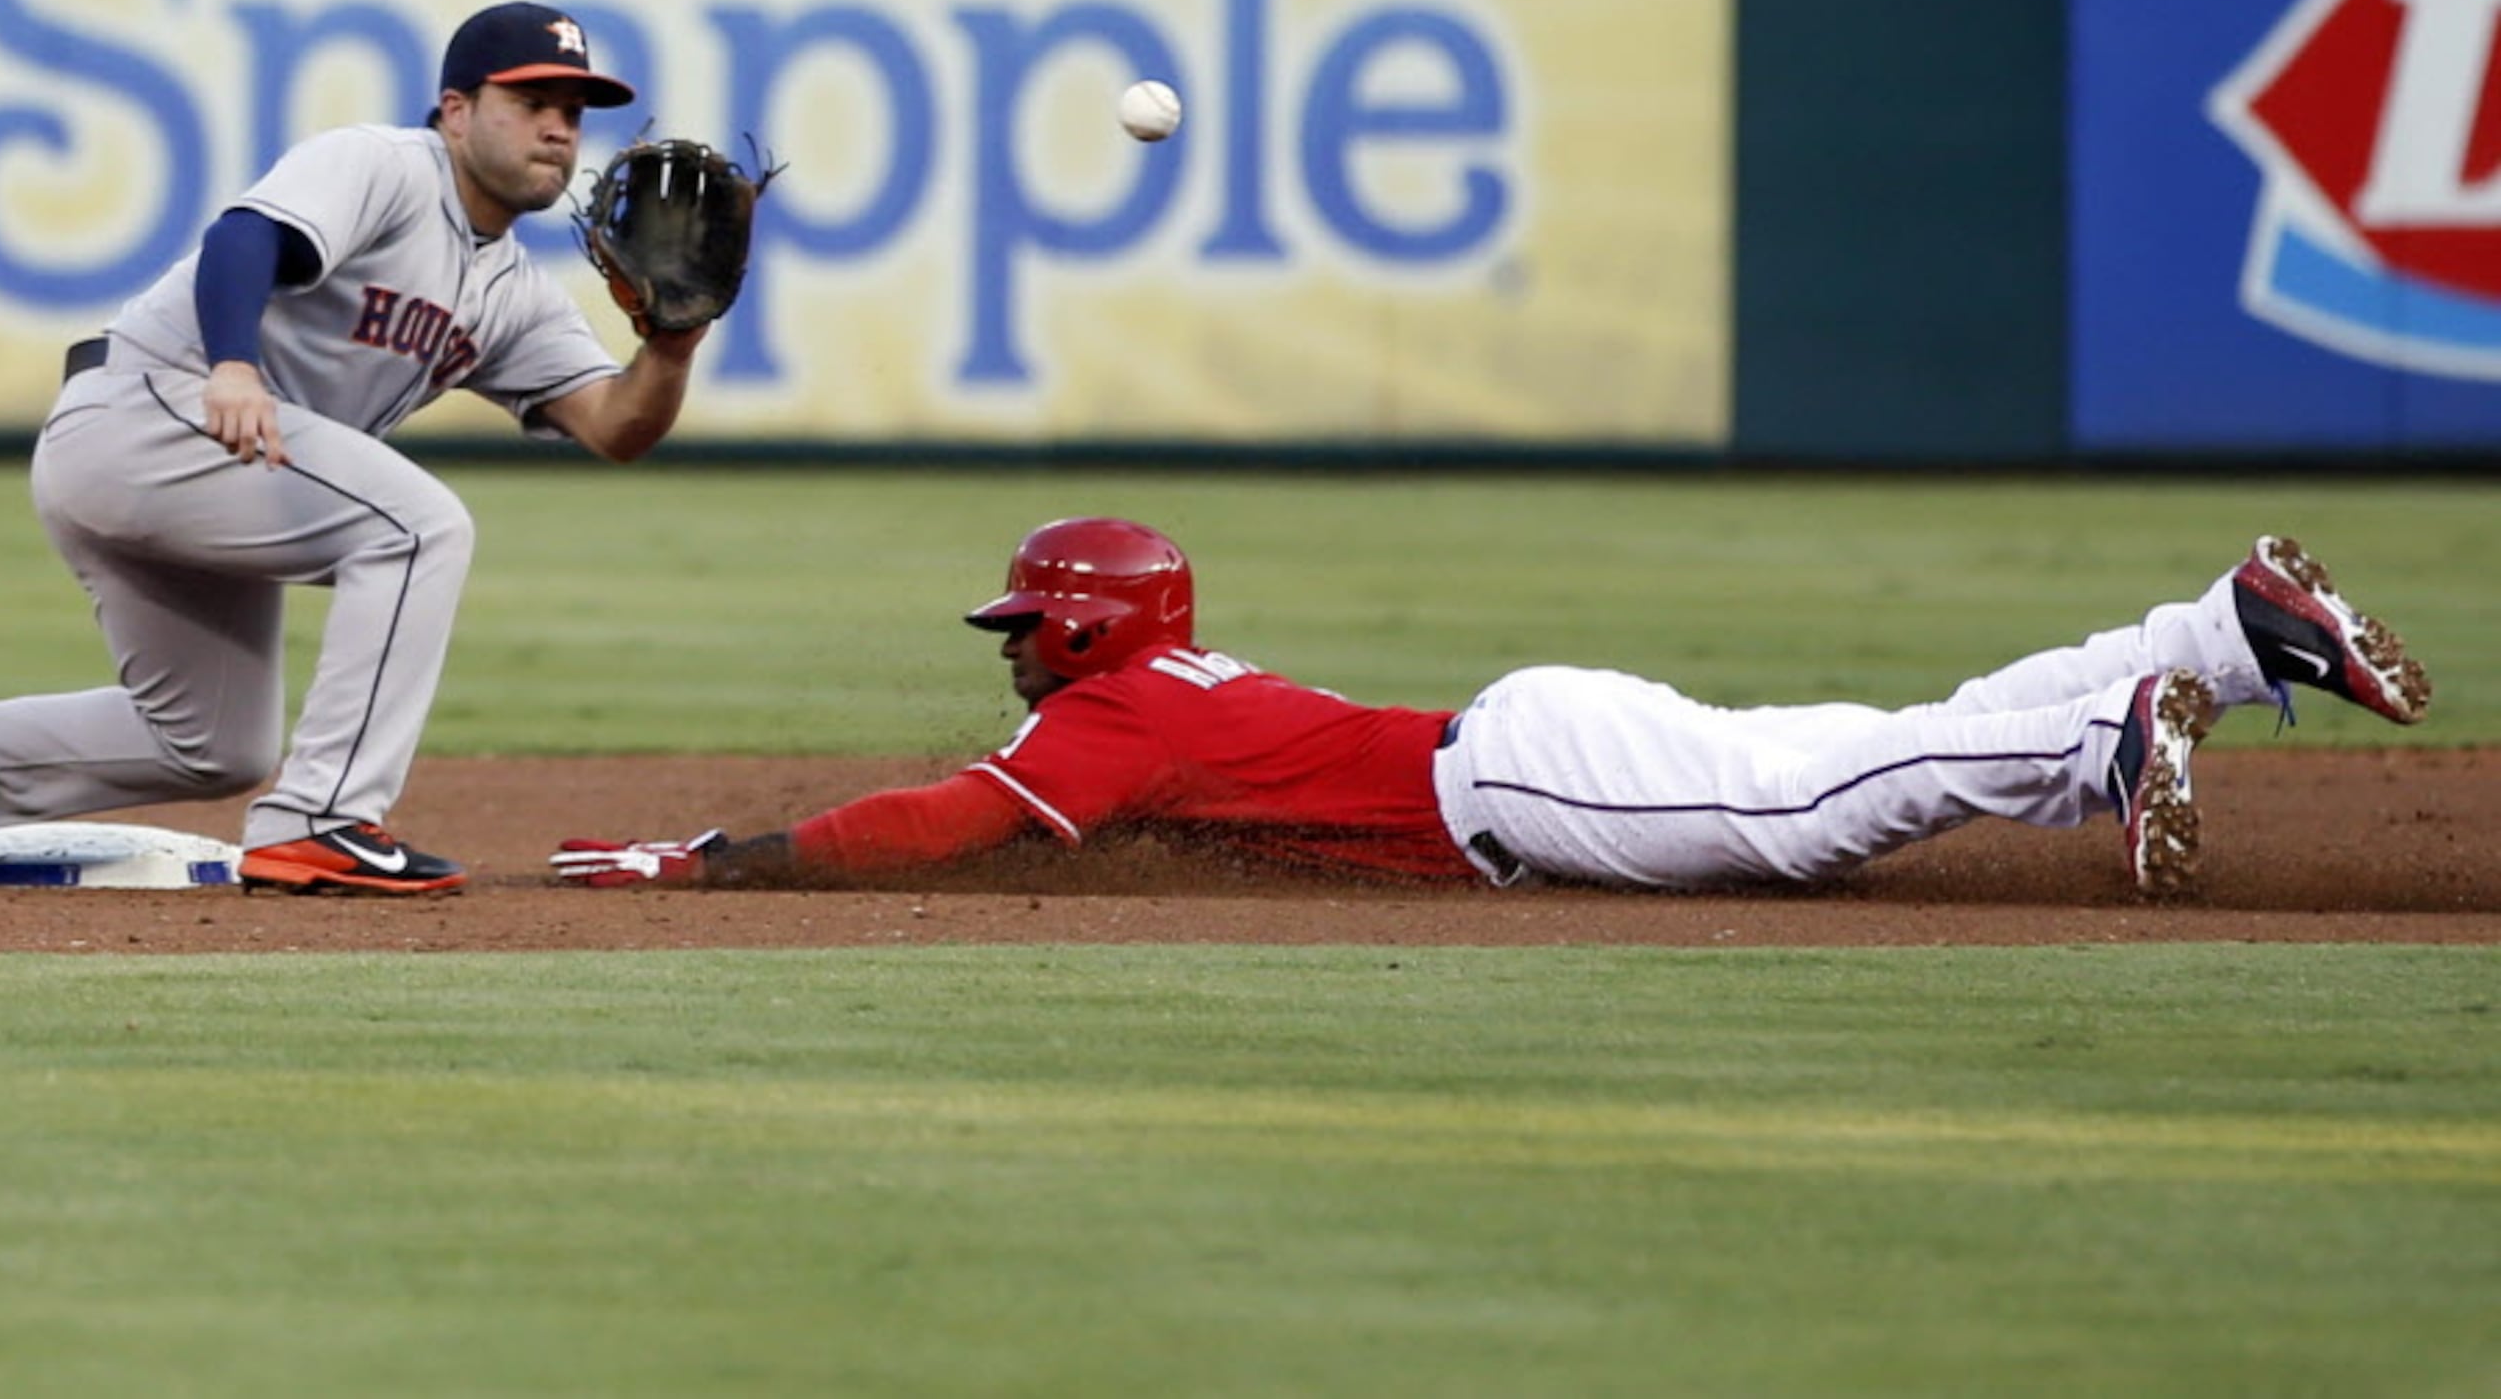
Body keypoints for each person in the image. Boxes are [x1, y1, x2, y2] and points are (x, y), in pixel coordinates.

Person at [0, 2, 712, 896]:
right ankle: (321, 822)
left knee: (212, 744)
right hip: (149, 413)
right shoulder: (385, 166)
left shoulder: (516, 294)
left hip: (222, 468)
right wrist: (233, 366)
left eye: (573, 109)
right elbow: (242, 239)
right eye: (532, 100)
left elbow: (615, 426)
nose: (559, 127)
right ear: (455, 109)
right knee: (417, 530)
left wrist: (671, 347)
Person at [555, 519, 2430, 900]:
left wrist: (726, 859)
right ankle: (2210, 637)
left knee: (1807, 808)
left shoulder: (1116, 713)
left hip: (1518, 780)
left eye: (1032, 623)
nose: (1012, 649)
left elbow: (952, 818)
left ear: (1097, 629)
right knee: (1843, 748)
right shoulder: (1165, 683)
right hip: (1525, 740)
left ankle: (2104, 737)